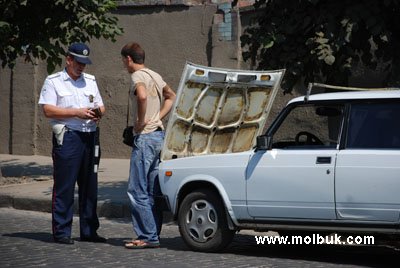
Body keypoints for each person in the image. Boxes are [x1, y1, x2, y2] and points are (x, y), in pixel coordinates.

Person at [38, 43, 106, 245]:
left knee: (90, 187)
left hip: (90, 136)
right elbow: (48, 110)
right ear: (68, 59)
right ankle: (61, 231)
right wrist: (75, 112)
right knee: (65, 186)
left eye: (85, 63)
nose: (82, 67)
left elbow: (101, 105)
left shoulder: (91, 81)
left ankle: (89, 231)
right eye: (78, 62)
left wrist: (97, 114)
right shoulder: (54, 81)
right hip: (68, 137)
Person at [121, 42, 176, 249]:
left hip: (144, 138)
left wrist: (142, 121)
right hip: (158, 136)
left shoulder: (137, 77)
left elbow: (142, 96)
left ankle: (146, 236)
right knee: (152, 190)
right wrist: (157, 117)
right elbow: (172, 96)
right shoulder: (156, 75)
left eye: (124, 61)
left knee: (137, 189)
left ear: (128, 59)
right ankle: (153, 234)